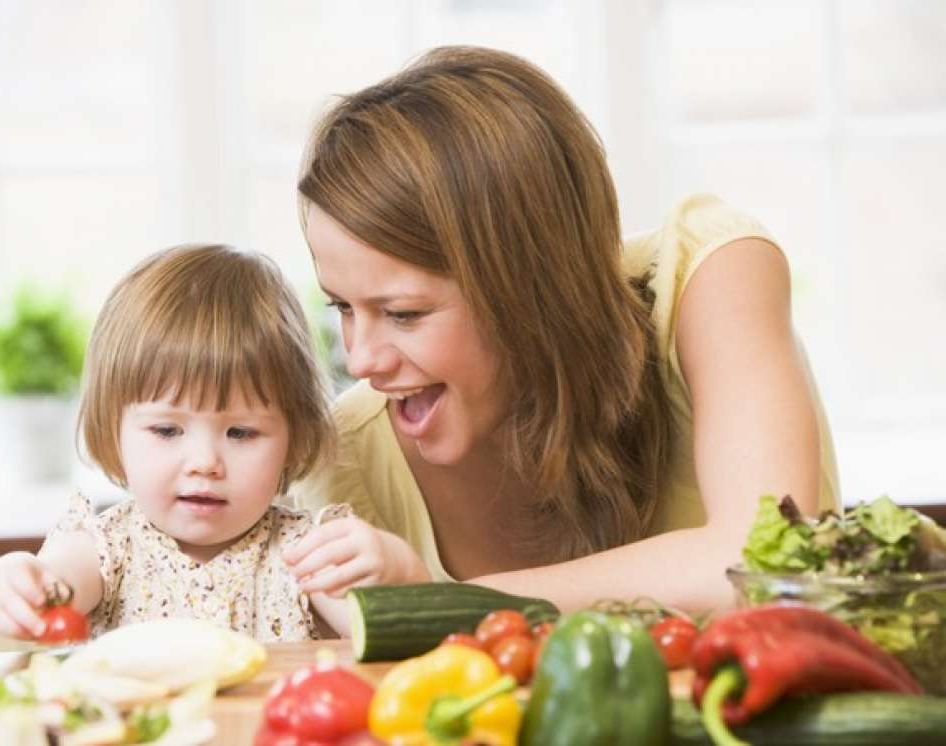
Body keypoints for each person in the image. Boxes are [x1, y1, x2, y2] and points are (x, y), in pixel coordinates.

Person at [284, 46, 840, 613]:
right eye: (342, 308)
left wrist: (439, 604)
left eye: (403, 314)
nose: (361, 361)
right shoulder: (349, 462)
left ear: (530, 287)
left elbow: (766, 567)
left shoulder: (711, 277)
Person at [0, 244, 429, 643]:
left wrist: (398, 570)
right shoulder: (107, 549)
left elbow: (392, 632)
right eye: (167, 431)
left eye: (241, 433)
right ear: (113, 431)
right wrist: (16, 581)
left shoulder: (304, 554)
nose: (205, 463)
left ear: (293, 440)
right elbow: (54, 585)